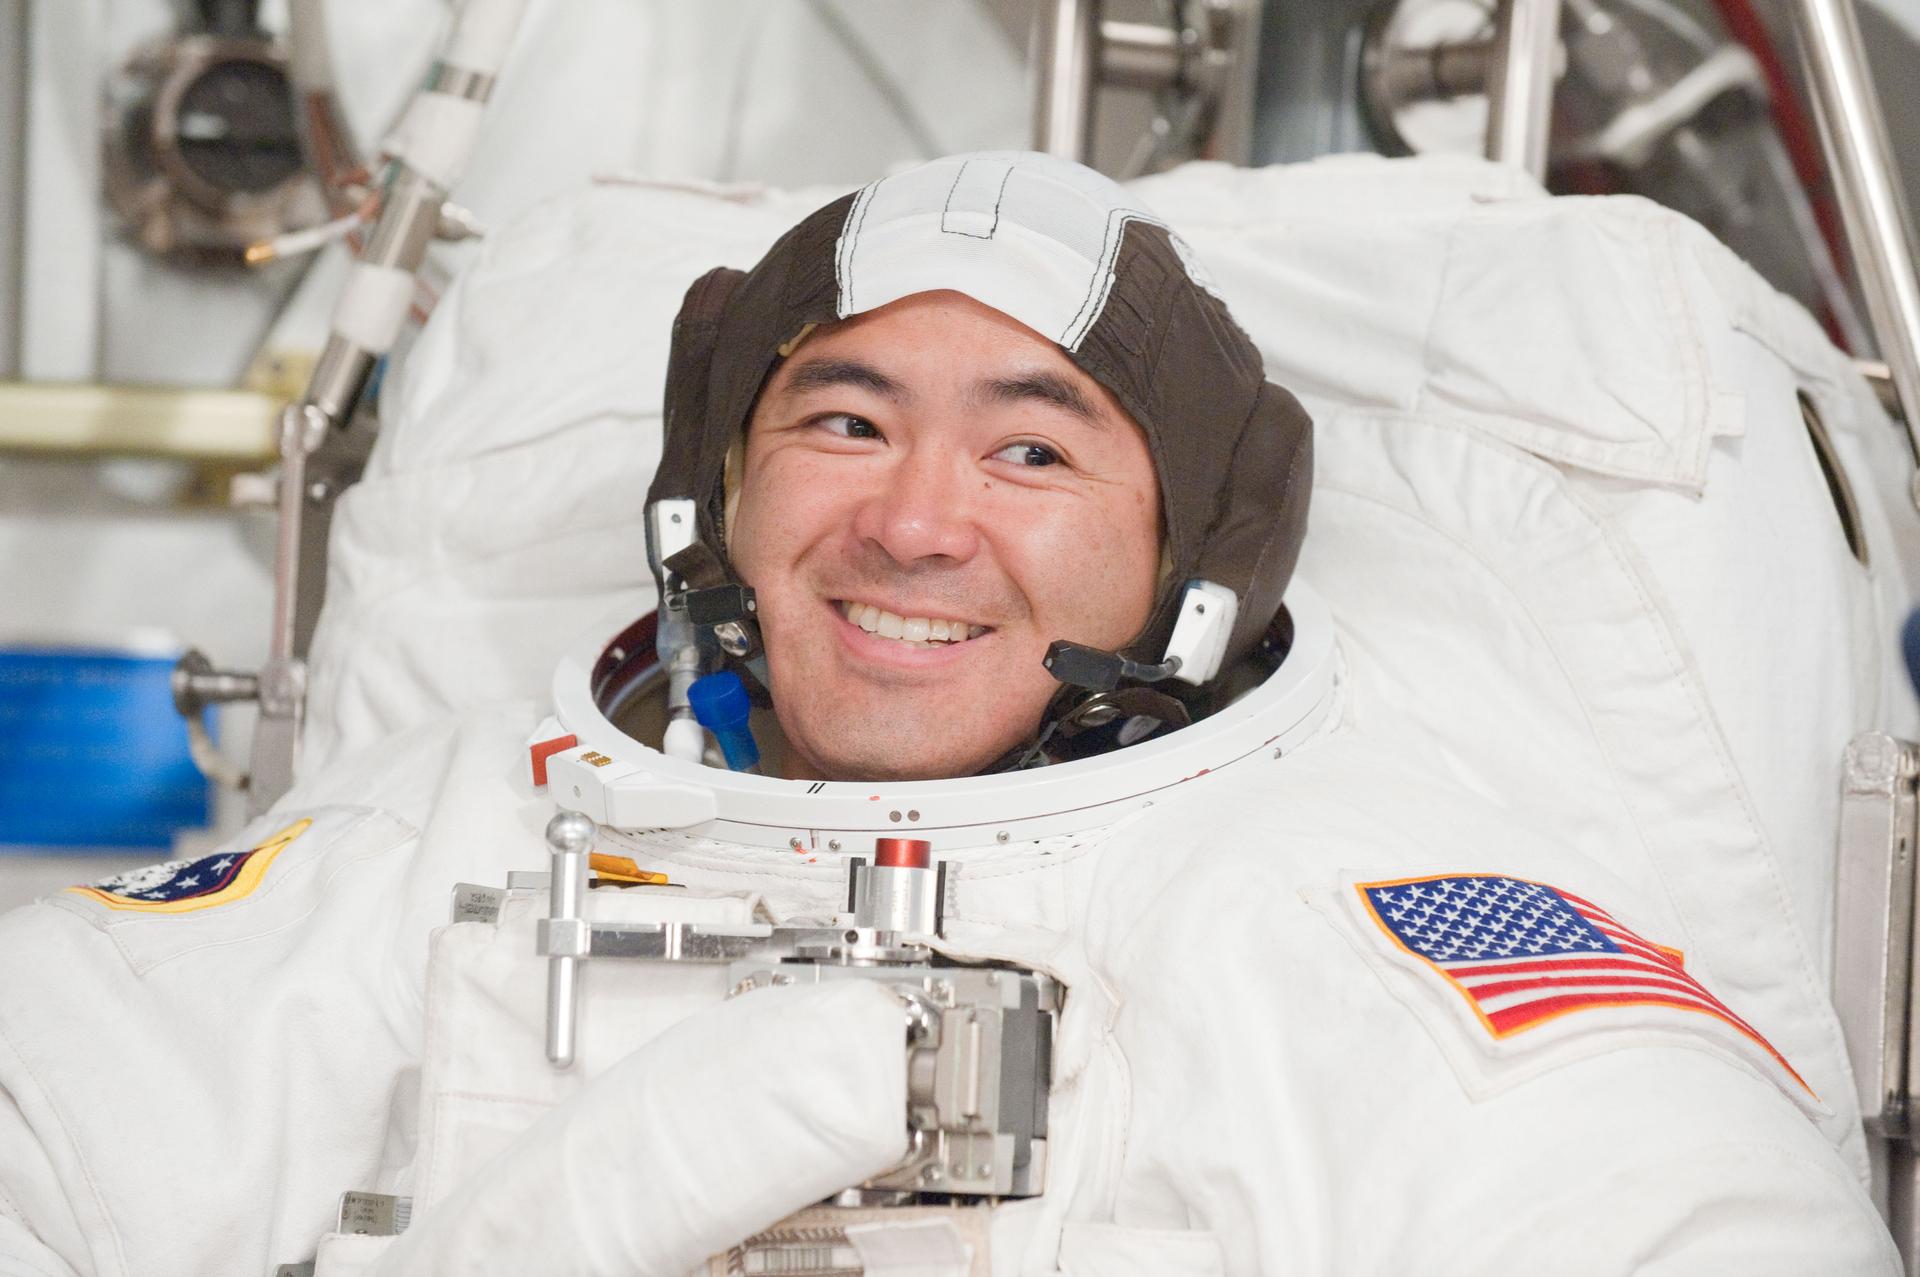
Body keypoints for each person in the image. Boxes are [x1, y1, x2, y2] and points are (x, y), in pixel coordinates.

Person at [0, 152, 1896, 1276]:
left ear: (1189, 566)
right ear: (710, 501)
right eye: (841, 420)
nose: (914, 520)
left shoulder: (1376, 918)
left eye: (1030, 447)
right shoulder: (454, 830)